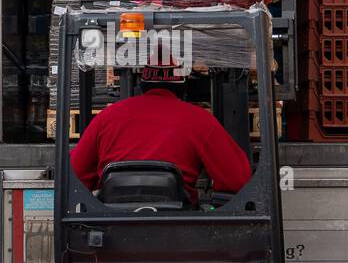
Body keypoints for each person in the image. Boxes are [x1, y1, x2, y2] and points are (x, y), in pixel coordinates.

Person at [70, 52, 252, 203]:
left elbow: (74, 175)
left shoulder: (107, 117)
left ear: (142, 82)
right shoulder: (199, 120)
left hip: (112, 227)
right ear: (183, 86)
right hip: (179, 229)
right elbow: (237, 179)